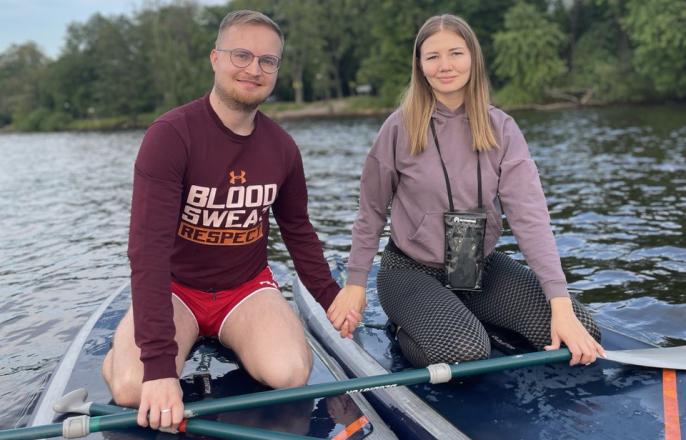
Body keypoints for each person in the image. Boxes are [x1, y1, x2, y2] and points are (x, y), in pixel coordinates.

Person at [101, 10, 340, 432]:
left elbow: (298, 231)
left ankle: (235, 334)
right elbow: (148, 251)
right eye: (241, 55)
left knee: (289, 373)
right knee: (131, 388)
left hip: (245, 289)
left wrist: (331, 299)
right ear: (215, 58)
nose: (254, 69)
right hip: (177, 289)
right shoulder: (170, 135)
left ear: (276, 71)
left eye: (268, 61)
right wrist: (159, 368)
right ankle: (126, 348)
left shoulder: (283, 148)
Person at [328, 14, 605, 369]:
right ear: (420, 66)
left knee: (584, 332)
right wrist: (355, 283)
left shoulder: (502, 128)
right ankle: (406, 326)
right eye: (433, 56)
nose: (445, 65)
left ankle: (466, 315)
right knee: (466, 354)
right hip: (410, 272)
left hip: (475, 266)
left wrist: (560, 303)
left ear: (473, 58)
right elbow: (371, 212)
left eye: (456, 53)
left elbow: (530, 217)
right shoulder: (397, 129)